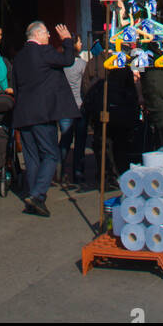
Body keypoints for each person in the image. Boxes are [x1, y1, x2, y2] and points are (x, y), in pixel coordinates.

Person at [11, 22, 76, 216]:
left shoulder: (19, 57)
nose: (49, 36)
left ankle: (33, 196)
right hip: (41, 114)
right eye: (47, 33)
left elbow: (14, 85)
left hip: (23, 114)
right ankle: (38, 195)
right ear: (38, 34)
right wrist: (67, 40)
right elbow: (67, 60)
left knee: (31, 158)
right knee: (50, 154)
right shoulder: (43, 51)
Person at [81, 47, 143, 185]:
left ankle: (109, 174)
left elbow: (87, 91)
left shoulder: (100, 74)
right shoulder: (121, 78)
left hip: (107, 118)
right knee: (118, 147)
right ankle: (116, 174)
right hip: (119, 119)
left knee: (106, 147)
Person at [58, 34, 89, 186]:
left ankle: (63, 171)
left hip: (64, 108)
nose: (81, 43)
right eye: (79, 41)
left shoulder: (60, 65)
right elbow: (86, 86)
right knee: (80, 141)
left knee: (65, 141)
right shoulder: (82, 64)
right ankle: (78, 172)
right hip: (80, 106)